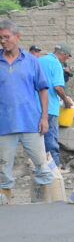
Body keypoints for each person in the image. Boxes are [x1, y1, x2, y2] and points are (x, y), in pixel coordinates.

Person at [0, 19, 53, 204]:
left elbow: (43, 89)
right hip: (4, 125)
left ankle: (42, 204)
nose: (3, 41)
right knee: (3, 169)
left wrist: (44, 117)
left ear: (17, 37)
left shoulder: (31, 61)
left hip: (31, 122)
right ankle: (5, 206)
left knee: (41, 166)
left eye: (7, 37)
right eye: (1, 38)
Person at [38, 44, 74, 168]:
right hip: (50, 107)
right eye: (67, 57)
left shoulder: (38, 60)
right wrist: (66, 100)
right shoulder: (56, 64)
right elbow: (57, 87)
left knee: (37, 139)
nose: (66, 60)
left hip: (34, 107)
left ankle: (39, 167)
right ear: (63, 54)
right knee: (51, 139)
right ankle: (54, 169)